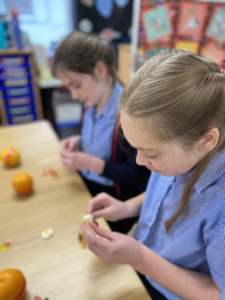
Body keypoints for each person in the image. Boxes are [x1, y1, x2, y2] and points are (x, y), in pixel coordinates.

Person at [81, 49, 225, 300]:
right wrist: (127, 207)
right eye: (135, 148)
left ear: (206, 140)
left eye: (150, 154)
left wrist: (139, 258)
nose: (139, 161)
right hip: (142, 266)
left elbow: (218, 294)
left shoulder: (220, 210)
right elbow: (170, 191)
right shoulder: (181, 155)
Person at [53, 31, 150, 234]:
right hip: (85, 191)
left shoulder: (129, 117)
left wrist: (92, 164)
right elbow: (99, 137)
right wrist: (79, 141)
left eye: (76, 85)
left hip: (114, 205)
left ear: (99, 70)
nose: (74, 95)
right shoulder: (90, 102)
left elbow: (138, 175)